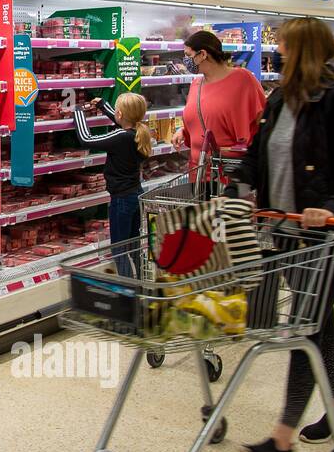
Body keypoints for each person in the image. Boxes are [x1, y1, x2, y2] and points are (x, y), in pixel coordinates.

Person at [228, 17, 334, 452]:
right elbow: (257, 156)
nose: (277, 51)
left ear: (306, 51)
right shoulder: (280, 99)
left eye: (285, 45)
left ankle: (282, 440)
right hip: (288, 232)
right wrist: (236, 189)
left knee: (303, 325)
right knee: (318, 321)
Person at [74, 93, 152, 275]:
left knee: (119, 248)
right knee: (133, 246)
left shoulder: (121, 137)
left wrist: (77, 112)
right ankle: (140, 283)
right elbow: (122, 121)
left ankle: (128, 290)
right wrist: (103, 105)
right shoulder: (139, 132)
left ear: (120, 114)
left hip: (121, 199)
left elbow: (87, 139)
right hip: (135, 194)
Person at [171, 29, 266, 169]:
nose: (186, 61)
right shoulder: (196, 85)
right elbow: (204, 119)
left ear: (202, 54)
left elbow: (261, 122)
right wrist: (183, 131)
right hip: (199, 174)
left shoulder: (243, 80)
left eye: (188, 55)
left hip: (230, 173)